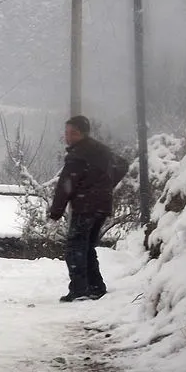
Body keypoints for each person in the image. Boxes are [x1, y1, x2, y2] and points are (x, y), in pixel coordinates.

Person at [49, 115, 130, 302]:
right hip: (102, 206)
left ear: (83, 134)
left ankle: (79, 289)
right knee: (87, 247)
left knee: (75, 248)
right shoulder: (101, 150)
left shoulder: (78, 155)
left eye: (73, 133)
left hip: (85, 206)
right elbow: (123, 165)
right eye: (67, 132)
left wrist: (56, 211)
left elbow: (65, 185)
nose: (69, 137)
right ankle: (96, 287)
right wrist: (105, 185)